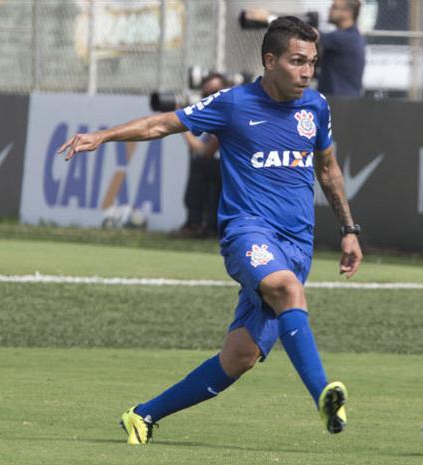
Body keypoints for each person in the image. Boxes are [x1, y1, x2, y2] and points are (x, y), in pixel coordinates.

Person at [57, 16, 363, 444]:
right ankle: (323, 396)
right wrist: (104, 136)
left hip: (297, 245)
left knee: (239, 357)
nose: (307, 72)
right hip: (248, 233)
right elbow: (162, 124)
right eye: (297, 61)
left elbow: (327, 170)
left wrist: (349, 229)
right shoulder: (235, 104)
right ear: (269, 60)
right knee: (287, 289)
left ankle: (142, 416)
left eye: (312, 62)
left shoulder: (316, 107)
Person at [245, 0, 366, 96]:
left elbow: (307, 33)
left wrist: (268, 18)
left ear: (347, 12)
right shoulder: (350, 37)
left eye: (334, 7)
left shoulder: (347, 38)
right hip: (341, 100)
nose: (329, 10)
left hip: (341, 103)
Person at [175, 73, 227, 238]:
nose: (210, 98)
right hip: (228, 168)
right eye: (206, 94)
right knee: (202, 164)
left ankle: (194, 223)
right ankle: (203, 224)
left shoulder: (229, 112)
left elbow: (205, 151)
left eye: (215, 92)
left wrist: (180, 120)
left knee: (201, 164)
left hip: (245, 171)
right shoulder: (214, 115)